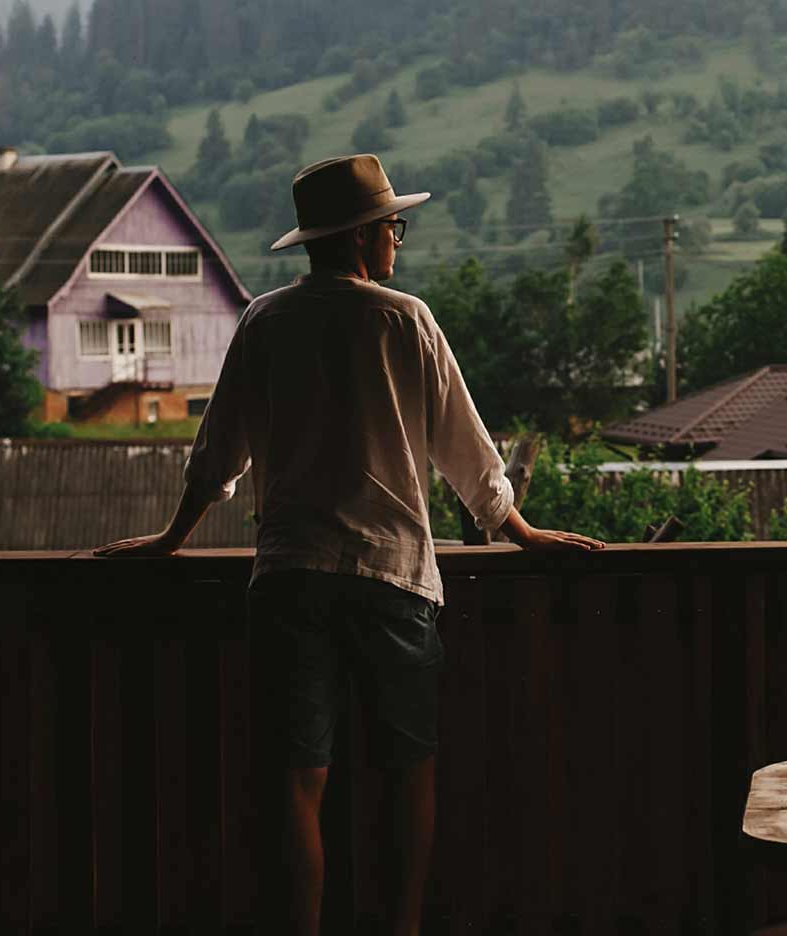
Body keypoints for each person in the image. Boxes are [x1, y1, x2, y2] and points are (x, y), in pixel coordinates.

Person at [95, 153, 604, 935]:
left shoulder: (266, 321)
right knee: (408, 774)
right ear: (367, 237)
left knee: (297, 783)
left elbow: (217, 453)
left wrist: (170, 540)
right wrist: (524, 534)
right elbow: (469, 454)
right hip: (395, 580)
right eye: (393, 227)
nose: (398, 240)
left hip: (291, 578)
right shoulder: (406, 321)